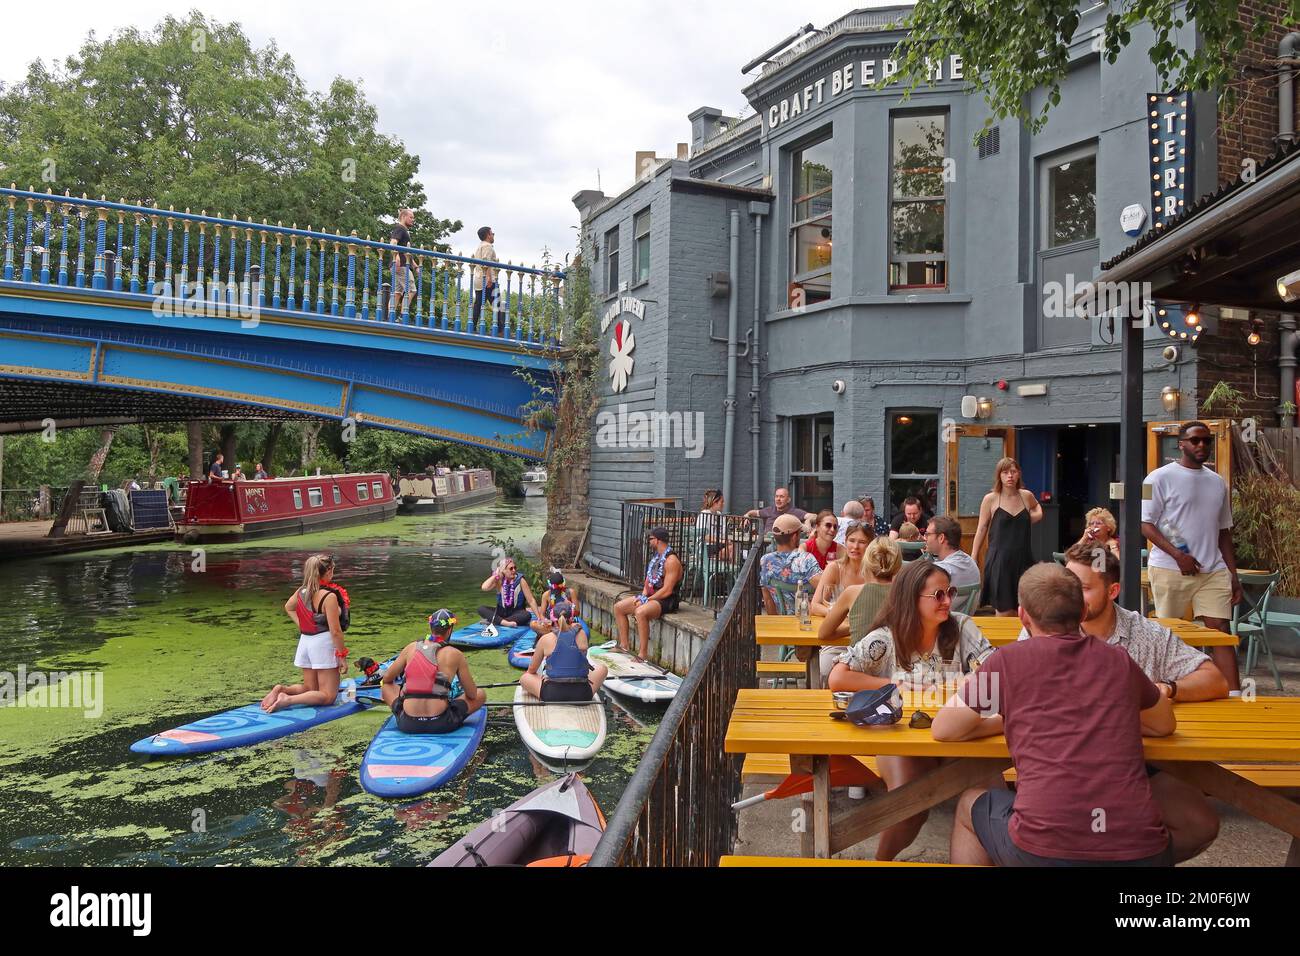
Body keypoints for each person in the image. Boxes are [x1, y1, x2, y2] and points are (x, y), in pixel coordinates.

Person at [936, 563, 1176, 867]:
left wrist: (1007, 718)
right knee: (1187, 815)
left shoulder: (1007, 662)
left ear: (1022, 616)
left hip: (1043, 848)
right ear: (1083, 612)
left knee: (969, 805)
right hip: (1144, 851)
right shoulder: (1118, 660)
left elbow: (945, 728)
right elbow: (1164, 724)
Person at [1023, 542, 1225, 861]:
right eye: (1068, 586)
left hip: (1133, 769)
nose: (1071, 598)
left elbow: (1214, 678)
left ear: (1113, 590)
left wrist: (1166, 689)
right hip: (1058, 766)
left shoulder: (1145, 634)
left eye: (1084, 588)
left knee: (1200, 824)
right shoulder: (1045, 624)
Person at [827, 560, 993, 860]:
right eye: (938, 595)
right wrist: (891, 683)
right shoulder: (888, 638)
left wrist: (970, 679)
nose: (947, 601)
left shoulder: (963, 626)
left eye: (950, 592)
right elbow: (838, 677)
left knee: (991, 793)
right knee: (910, 808)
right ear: (911, 598)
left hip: (958, 734)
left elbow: (993, 671)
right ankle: (882, 862)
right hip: (902, 737)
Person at [1141, 421, 1242, 691]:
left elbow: (1224, 532)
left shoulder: (1218, 482)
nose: (1201, 445)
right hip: (1169, 569)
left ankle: (1234, 696)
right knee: (1170, 634)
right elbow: (1145, 525)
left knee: (1220, 630)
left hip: (1213, 571)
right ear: (1181, 444)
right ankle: (1168, 691)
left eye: (1206, 440)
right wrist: (1178, 556)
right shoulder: (1154, 479)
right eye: (1195, 440)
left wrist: (1233, 575)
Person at [262, 554, 351, 713]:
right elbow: (335, 631)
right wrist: (342, 656)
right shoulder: (329, 596)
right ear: (328, 571)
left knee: (310, 687)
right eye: (333, 570)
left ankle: (282, 689)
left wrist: (304, 625)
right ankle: (288, 699)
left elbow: (289, 607)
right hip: (322, 643)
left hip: (306, 641)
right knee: (328, 696)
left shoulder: (302, 591)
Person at [381, 609, 486, 733]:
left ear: (431, 627)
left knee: (385, 686)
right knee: (480, 694)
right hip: (441, 723)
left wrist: (404, 692)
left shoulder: (410, 648)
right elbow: (472, 694)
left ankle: (407, 709)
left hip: (408, 724)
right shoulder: (455, 654)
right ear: (449, 630)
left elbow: (387, 679)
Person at [971, 457, 1043, 617]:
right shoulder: (990, 499)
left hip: (1024, 558)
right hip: (1000, 560)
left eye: (1013, 471)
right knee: (1004, 611)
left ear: (1018, 474)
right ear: (999, 475)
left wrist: (1035, 516)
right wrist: (974, 555)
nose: (1010, 476)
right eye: (1005, 472)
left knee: (1025, 608)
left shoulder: (1026, 496)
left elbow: (1037, 506)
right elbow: (981, 528)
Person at [613, 526, 683, 659]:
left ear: (658, 541)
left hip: (667, 600)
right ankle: (624, 645)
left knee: (640, 612)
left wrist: (647, 600)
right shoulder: (656, 557)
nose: (648, 541)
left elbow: (667, 590)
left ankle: (642, 654)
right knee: (619, 607)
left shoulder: (671, 561)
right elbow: (648, 581)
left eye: (650, 539)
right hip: (652, 597)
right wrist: (644, 595)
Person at [521, 601, 608, 702]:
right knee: (602, 669)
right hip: (582, 695)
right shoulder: (582, 634)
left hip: (552, 695)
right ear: (572, 618)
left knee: (525, 677)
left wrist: (544, 677)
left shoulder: (545, 639)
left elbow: (532, 670)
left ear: (553, 620)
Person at [759, 513, 821, 615]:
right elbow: (825, 587)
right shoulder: (805, 559)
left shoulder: (765, 560)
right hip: (809, 620)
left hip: (782, 622)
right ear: (794, 537)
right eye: (800, 533)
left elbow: (768, 600)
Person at [812, 520, 871, 617]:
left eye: (862, 542)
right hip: (839, 626)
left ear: (870, 545)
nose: (855, 546)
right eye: (851, 540)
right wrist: (840, 615)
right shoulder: (834, 568)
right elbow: (815, 606)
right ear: (845, 541)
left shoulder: (875, 570)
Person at [478, 556, 541, 628]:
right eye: (511, 568)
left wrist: (539, 618)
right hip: (501, 612)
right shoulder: (499, 581)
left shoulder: (521, 580)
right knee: (481, 609)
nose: (514, 570)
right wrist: (496, 575)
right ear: (503, 571)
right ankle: (504, 623)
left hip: (517, 612)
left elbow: (531, 600)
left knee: (527, 615)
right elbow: (484, 588)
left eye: (515, 568)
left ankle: (496, 621)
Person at [924, 515, 980, 589]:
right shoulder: (971, 562)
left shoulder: (939, 571)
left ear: (941, 538)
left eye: (928, 534)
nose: (924, 538)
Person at [390, 207, 420, 318]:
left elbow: (407, 253)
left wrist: (416, 266)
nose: (413, 220)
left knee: (398, 293)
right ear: (403, 217)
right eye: (411, 217)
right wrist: (396, 256)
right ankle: (403, 317)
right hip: (401, 265)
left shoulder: (404, 230)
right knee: (411, 290)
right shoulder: (400, 228)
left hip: (400, 264)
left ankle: (390, 317)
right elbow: (393, 242)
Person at [471, 225, 501, 332]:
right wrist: (489, 278)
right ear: (488, 235)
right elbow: (486, 261)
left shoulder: (480, 246)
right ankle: (501, 330)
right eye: (492, 233)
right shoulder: (488, 246)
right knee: (497, 304)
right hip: (488, 279)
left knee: (478, 303)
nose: (493, 235)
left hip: (478, 279)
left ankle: (472, 326)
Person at [744, 487, 809, 535]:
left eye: (781, 497)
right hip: (766, 544)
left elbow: (814, 516)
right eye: (776, 496)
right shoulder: (769, 510)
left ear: (788, 500)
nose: (778, 499)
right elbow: (753, 513)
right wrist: (746, 517)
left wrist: (807, 522)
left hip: (784, 546)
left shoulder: (795, 512)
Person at [530, 570, 575, 635]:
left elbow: (577, 613)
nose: (557, 592)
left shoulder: (570, 592)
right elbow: (542, 614)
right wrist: (545, 621)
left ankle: (556, 632)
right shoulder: (546, 595)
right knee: (533, 624)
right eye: (555, 590)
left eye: (558, 590)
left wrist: (571, 606)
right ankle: (554, 631)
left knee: (575, 625)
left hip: (567, 622)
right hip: (552, 624)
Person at [697, 488, 734, 562]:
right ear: (715, 502)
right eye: (722, 502)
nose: (723, 504)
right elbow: (704, 536)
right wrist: (722, 541)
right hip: (705, 547)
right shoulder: (704, 514)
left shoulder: (720, 515)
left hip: (718, 546)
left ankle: (722, 566)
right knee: (732, 549)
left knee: (734, 547)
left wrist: (727, 540)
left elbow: (723, 534)